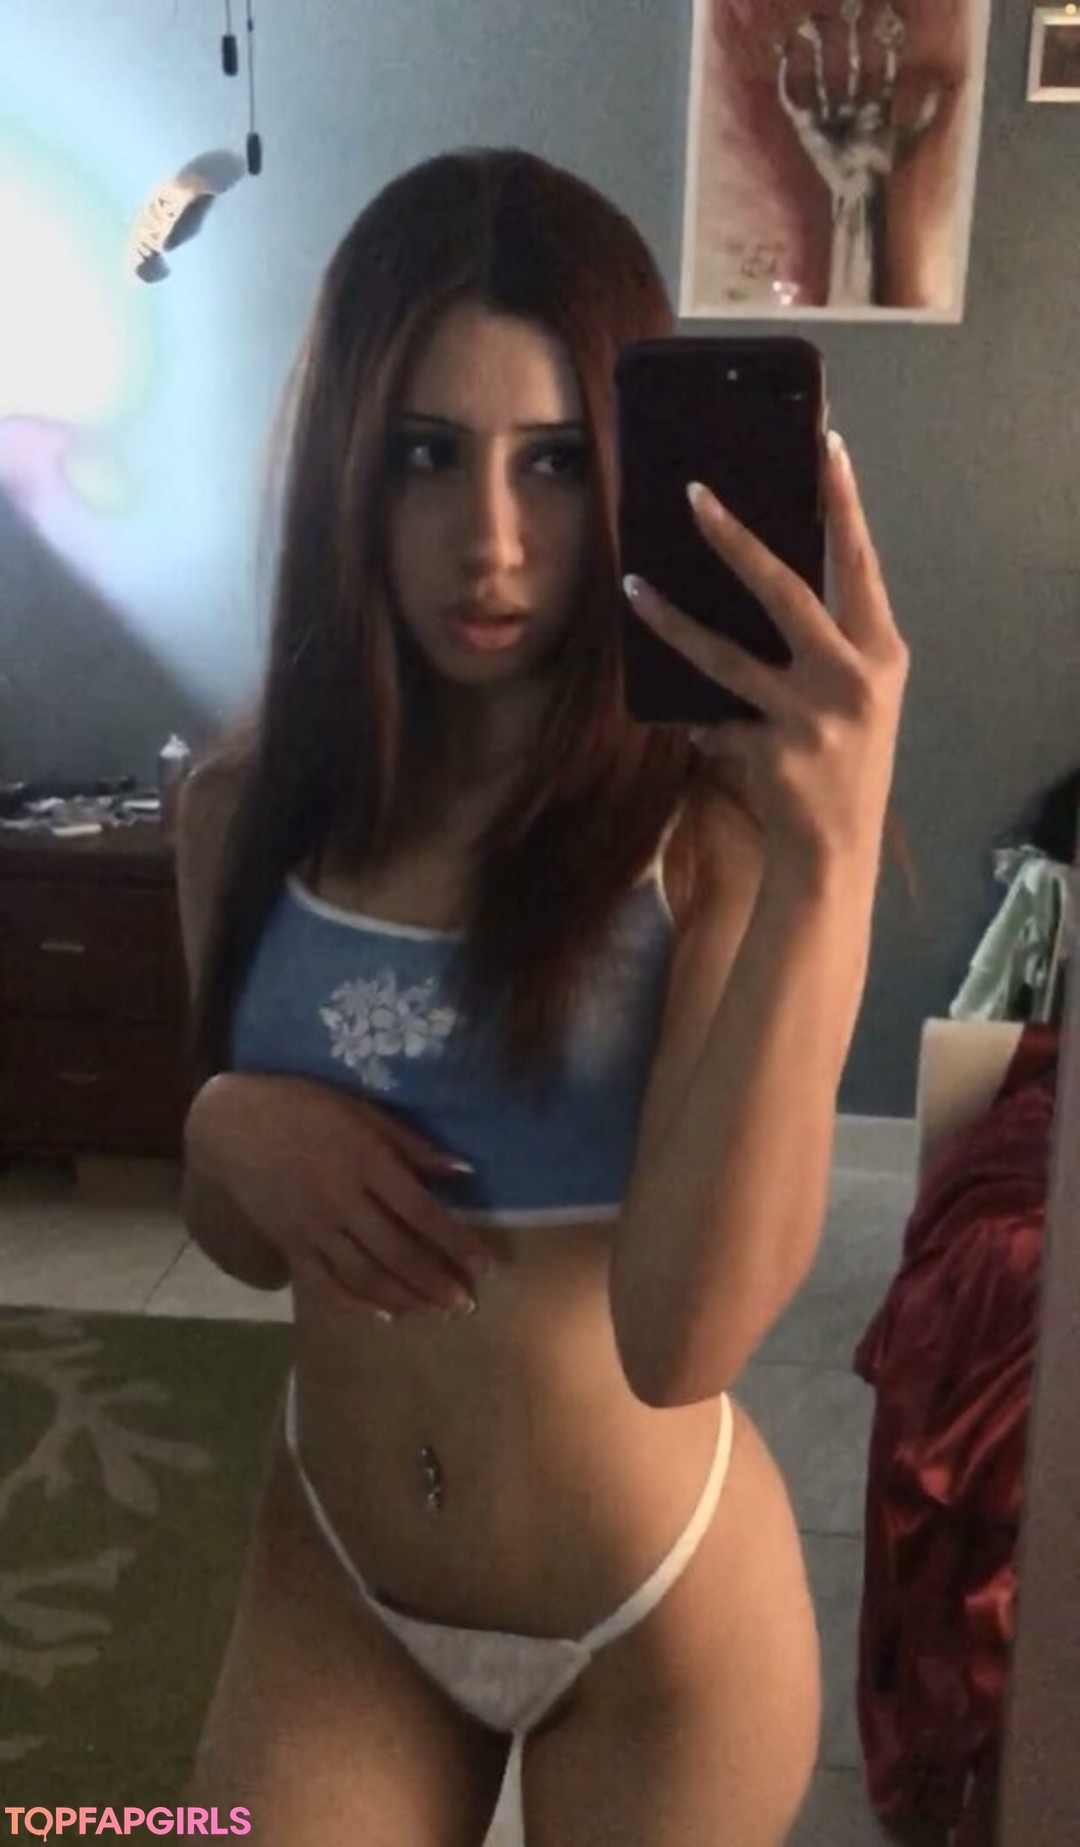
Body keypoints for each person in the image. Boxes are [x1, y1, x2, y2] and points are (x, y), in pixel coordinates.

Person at [176, 146, 908, 1846]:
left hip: (654, 1627)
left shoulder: (710, 845)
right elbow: (237, 1246)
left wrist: (831, 863)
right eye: (427, 453)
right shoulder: (239, 811)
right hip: (339, 1578)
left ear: (631, 473)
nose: (491, 542)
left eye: (557, 463)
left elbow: (684, 1342)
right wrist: (222, 1124)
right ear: (347, 462)